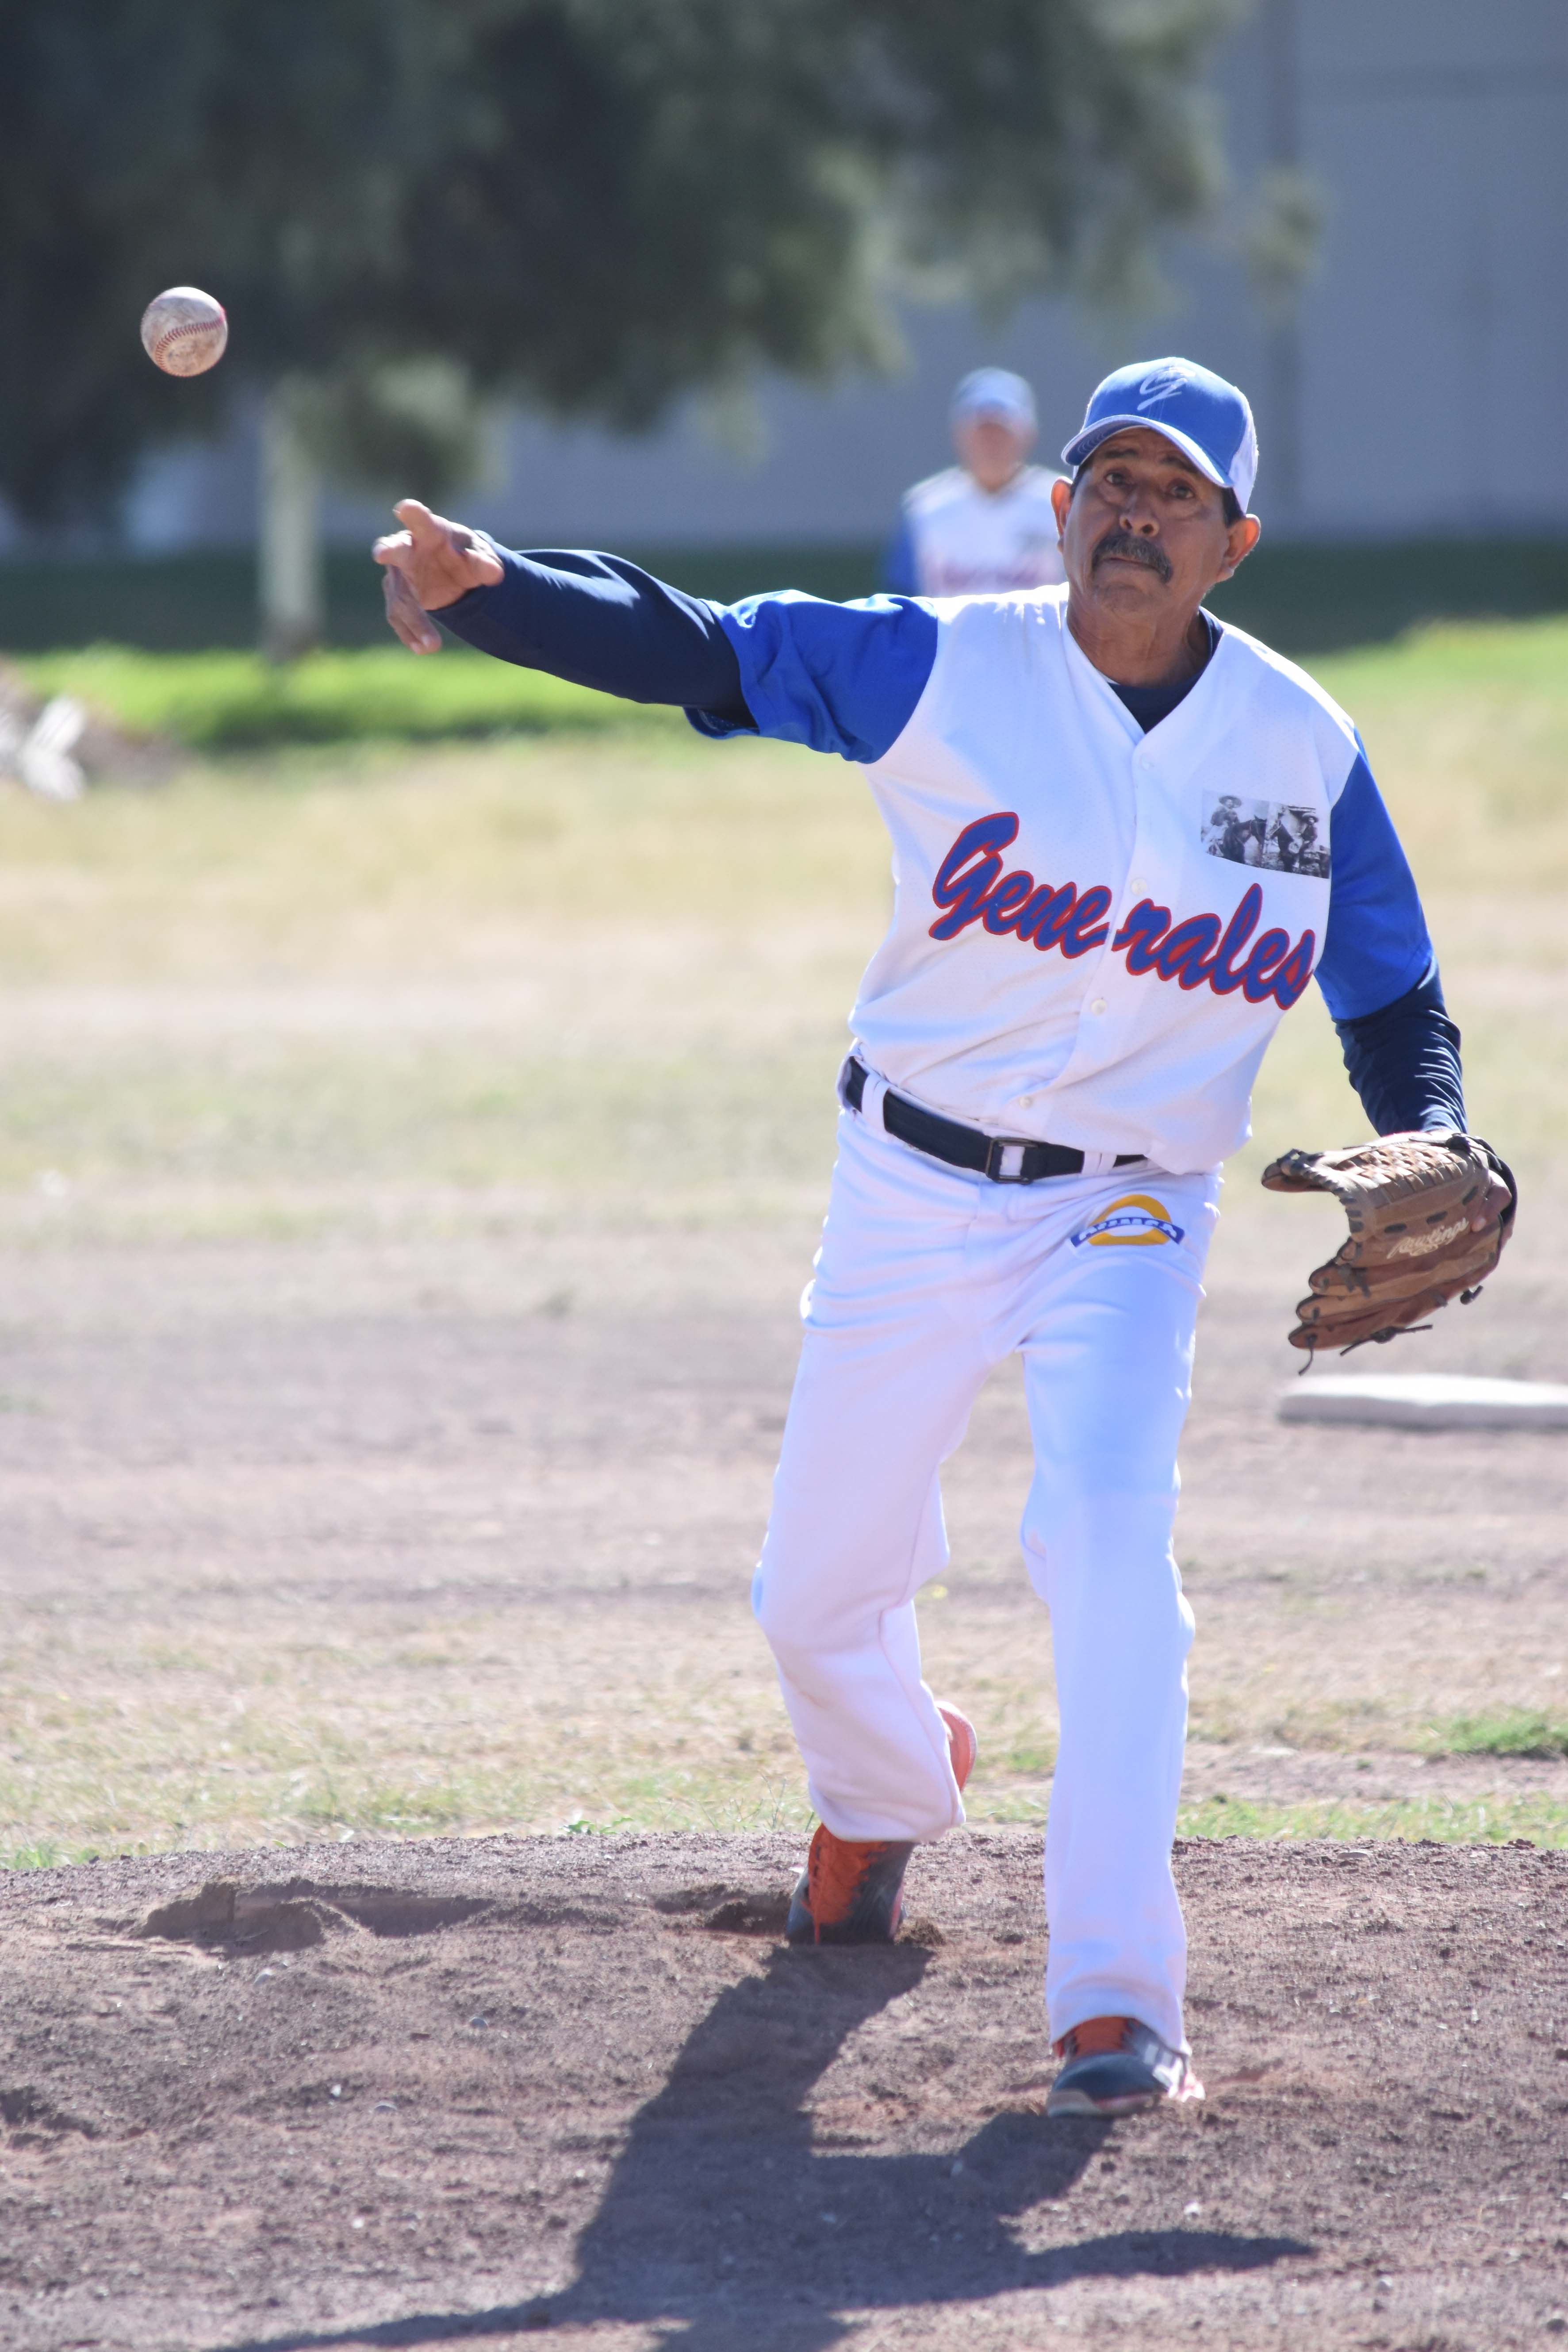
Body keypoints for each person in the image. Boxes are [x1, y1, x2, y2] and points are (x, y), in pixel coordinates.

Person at [374, 354, 1503, 2119]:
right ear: (1056, 513)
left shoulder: (1303, 748)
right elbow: (706, 645)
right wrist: (495, 590)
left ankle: (1116, 2007)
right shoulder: (944, 667)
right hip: (910, 1184)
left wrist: (1430, 1123)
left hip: (1132, 1203)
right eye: (1105, 481)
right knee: (812, 1596)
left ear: (1232, 542)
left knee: (1112, 1563)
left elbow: (1392, 996)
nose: (1132, 510)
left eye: (1174, 492)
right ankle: (889, 1787)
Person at [883, 367, 1066, 597]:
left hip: (1038, 634)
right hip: (949, 634)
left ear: (1028, 433)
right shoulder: (924, 508)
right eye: (981, 431)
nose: (991, 442)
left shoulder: (1060, 501)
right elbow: (903, 598)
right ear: (959, 434)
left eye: (1002, 430)